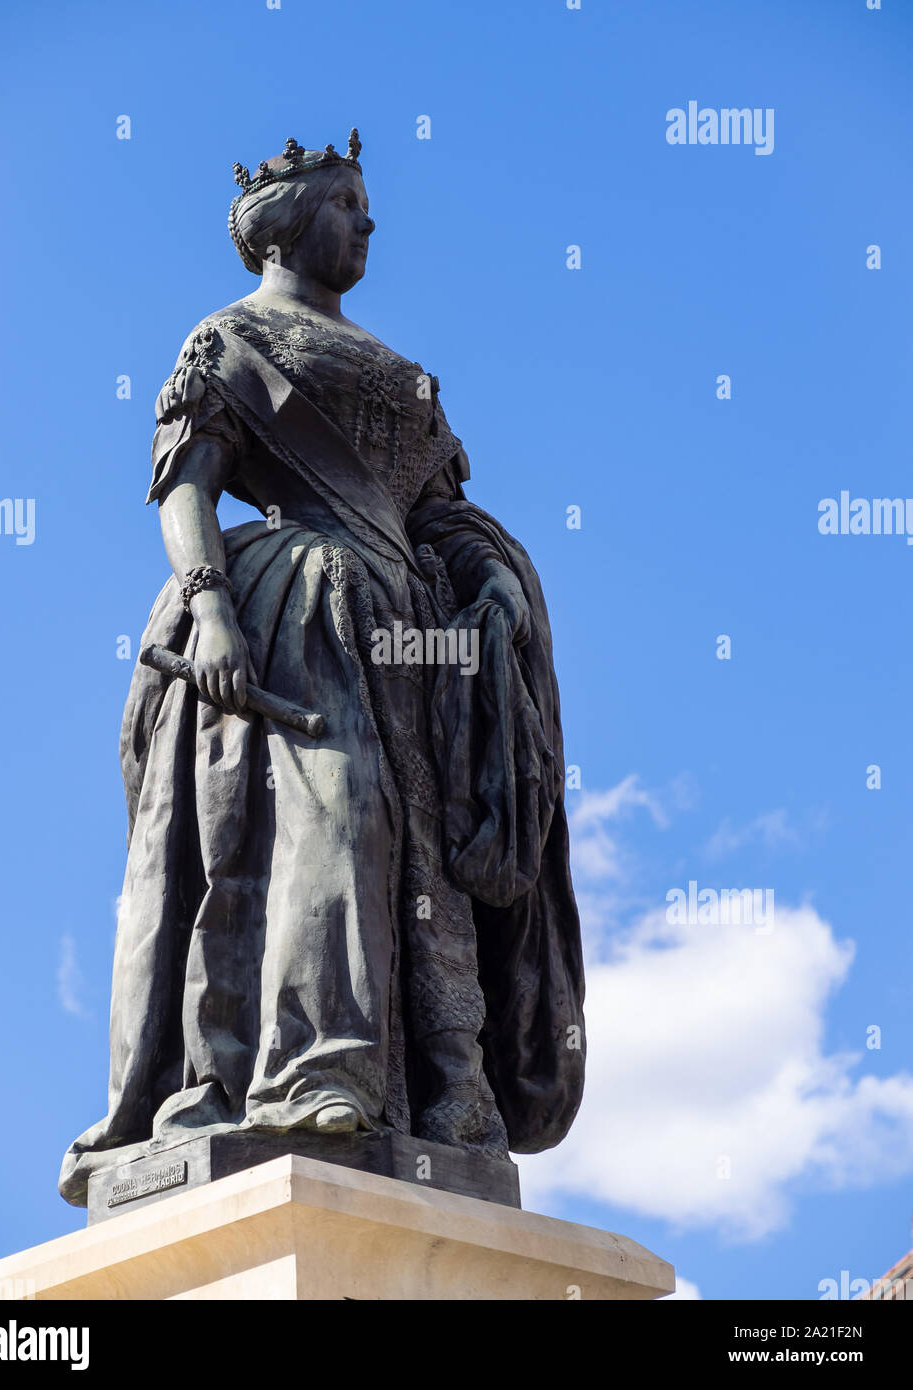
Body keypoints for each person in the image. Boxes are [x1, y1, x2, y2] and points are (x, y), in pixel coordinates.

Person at [59, 131, 584, 1207]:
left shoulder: (400, 371)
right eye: (350, 202)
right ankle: (308, 1072)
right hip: (293, 612)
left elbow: (442, 516)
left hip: (418, 640)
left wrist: (493, 581)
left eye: (365, 202)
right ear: (291, 222)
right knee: (332, 820)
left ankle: (450, 1098)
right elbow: (188, 491)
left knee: (430, 859)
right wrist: (209, 611)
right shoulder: (230, 340)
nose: (370, 221)